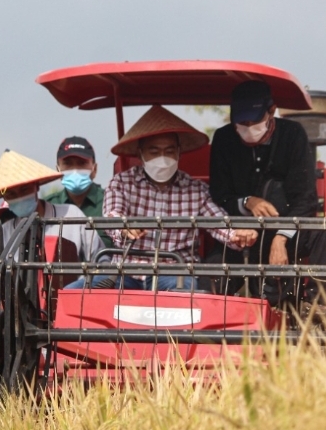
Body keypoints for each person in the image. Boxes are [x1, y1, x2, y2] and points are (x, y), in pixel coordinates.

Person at [68, 105, 257, 292]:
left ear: (178, 152)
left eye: (169, 151)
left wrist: (237, 235)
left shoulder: (196, 190)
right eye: (154, 152)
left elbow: (218, 222)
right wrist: (124, 228)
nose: (163, 158)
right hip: (125, 270)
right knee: (73, 293)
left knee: (187, 297)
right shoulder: (122, 183)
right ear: (141, 154)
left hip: (174, 272)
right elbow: (113, 215)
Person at [208, 80, 326, 304]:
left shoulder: (293, 135)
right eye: (242, 123)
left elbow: (305, 198)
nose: (248, 127)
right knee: (210, 276)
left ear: (271, 111)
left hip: (288, 227)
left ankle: (320, 306)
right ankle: (210, 312)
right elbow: (219, 194)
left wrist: (281, 237)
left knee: (325, 232)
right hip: (240, 233)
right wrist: (247, 202)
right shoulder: (224, 138)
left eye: (255, 121)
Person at [0, 150, 105, 270]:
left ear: (36, 186)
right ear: (4, 198)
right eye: (11, 194)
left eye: (24, 189)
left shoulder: (71, 215)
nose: (20, 197)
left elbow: (102, 259)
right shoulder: (4, 233)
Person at [42, 136, 111, 247]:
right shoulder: (48, 206)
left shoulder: (110, 204)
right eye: (68, 164)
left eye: (82, 163)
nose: (75, 170)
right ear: (57, 170)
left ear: (95, 169)